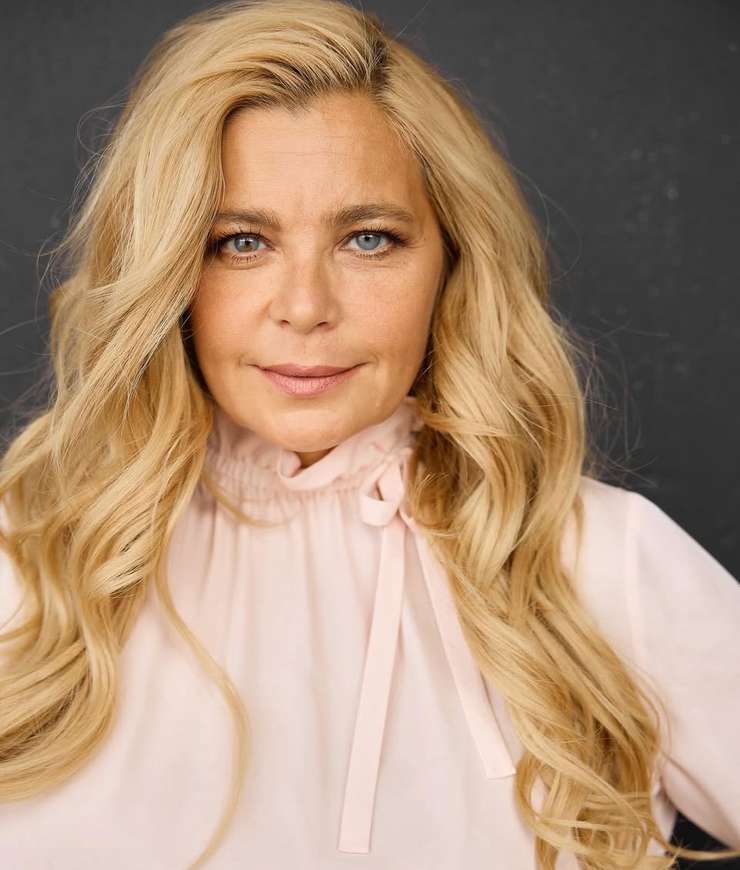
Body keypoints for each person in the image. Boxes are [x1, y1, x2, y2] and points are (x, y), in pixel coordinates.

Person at [0, 0, 738, 868]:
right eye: (241, 242)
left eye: (369, 239)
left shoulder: (599, 562)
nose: (306, 306)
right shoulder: (27, 559)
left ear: (452, 261)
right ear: (165, 270)